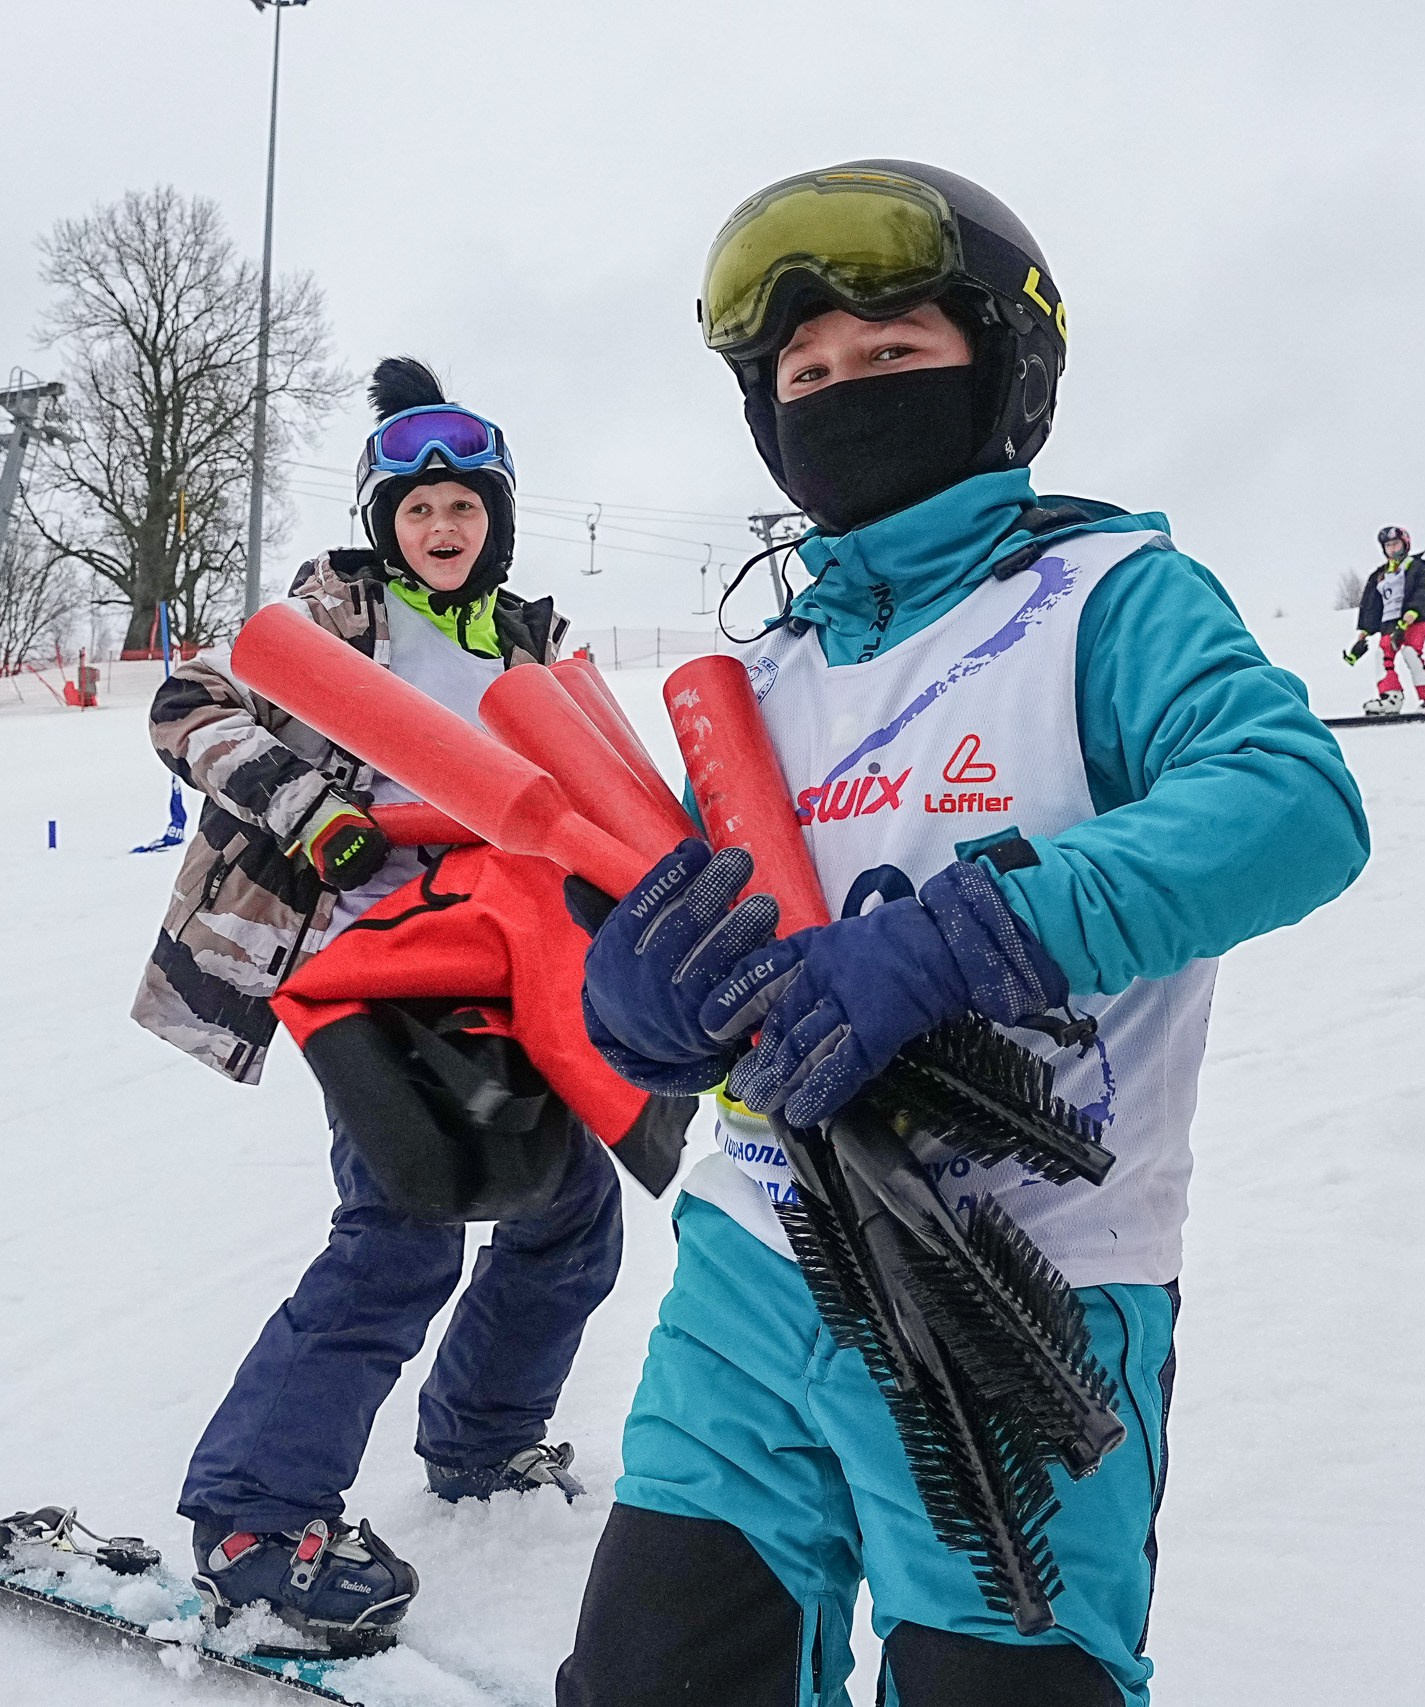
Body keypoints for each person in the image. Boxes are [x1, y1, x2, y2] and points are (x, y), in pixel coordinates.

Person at [554, 162, 1370, 1707]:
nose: (842, 394)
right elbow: (649, 935)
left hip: (1024, 1277)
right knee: (657, 1670)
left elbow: (1290, 804)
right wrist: (639, 1005)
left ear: (999, 370)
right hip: (757, 1255)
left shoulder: (1110, 597)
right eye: (805, 375)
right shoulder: (763, 677)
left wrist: (957, 942)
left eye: (890, 357)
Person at [129, 358, 640, 1657]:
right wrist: (308, 806)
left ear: (496, 518)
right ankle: (256, 1520)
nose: (441, 526)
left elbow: (597, 788)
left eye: (464, 505)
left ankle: (479, 1435)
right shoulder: (333, 615)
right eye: (415, 510)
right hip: (358, 971)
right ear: (383, 525)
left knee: (569, 1216)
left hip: (504, 966)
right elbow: (189, 702)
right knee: (405, 1227)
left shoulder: (534, 641)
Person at [1345, 525, 1425, 714]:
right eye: (1388, 545)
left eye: (1395, 544)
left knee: (1411, 653)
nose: (1392, 549)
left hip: (1413, 621)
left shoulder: (1418, 568)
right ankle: (1390, 697)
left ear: (1405, 544)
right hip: (1389, 623)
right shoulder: (1380, 575)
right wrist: (1364, 633)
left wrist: (1411, 614)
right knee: (1382, 657)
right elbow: (1371, 605)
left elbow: (1424, 592)